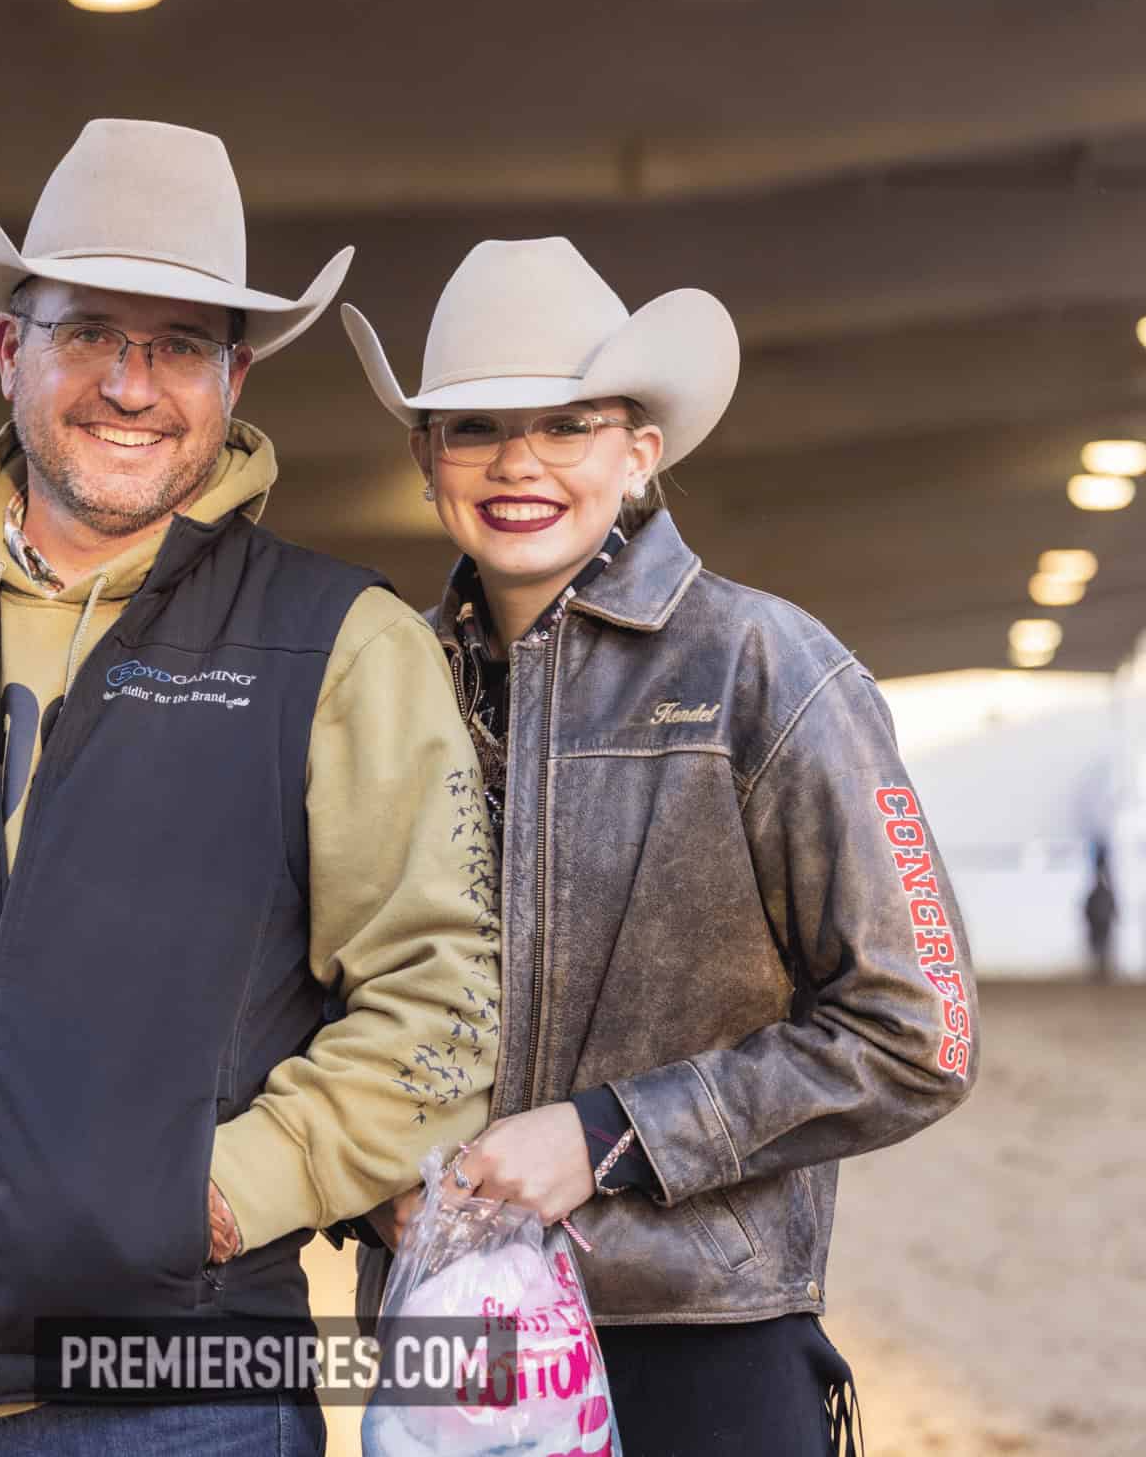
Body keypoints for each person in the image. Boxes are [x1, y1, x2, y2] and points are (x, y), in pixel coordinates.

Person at [0, 119, 500, 1456]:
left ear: (235, 377)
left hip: (180, 1387)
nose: (131, 384)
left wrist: (218, 1199)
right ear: (11, 348)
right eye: (90, 334)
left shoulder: (339, 645)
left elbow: (439, 1001)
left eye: (179, 344)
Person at [340, 238, 979, 1453]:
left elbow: (919, 1031)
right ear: (425, 458)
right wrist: (366, 1176)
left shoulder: (766, 667)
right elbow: (308, 985)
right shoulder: (376, 682)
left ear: (638, 452)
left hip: (700, 1335)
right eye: (473, 427)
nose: (516, 462)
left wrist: (605, 1134)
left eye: (564, 424)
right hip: (447, 1331)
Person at [1084, 844, 1117, 982]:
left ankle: (1103, 972)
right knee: (1099, 947)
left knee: (1102, 946)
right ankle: (1099, 972)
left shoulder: (1104, 890)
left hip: (1102, 920)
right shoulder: (1099, 891)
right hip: (1098, 921)